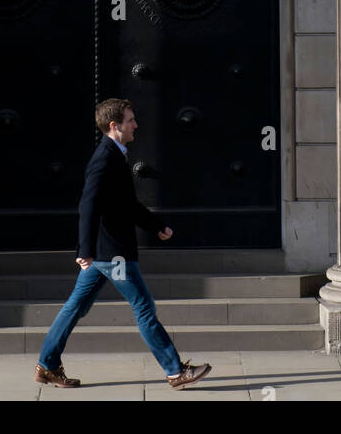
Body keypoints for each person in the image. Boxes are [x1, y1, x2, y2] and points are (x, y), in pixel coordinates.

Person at [34, 97, 212, 391]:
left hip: (105, 252)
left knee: (75, 307)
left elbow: (127, 205)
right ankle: (174, 371)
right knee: (143, 306)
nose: (136, 125)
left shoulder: (115, 155)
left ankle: (47, 365)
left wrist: (157, 227)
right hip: (111, 252)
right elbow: (88, 205)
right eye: (131, 120)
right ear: (115, 125)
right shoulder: (104, 158)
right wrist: (85, 250)